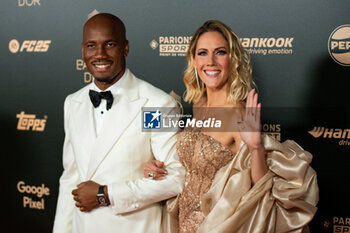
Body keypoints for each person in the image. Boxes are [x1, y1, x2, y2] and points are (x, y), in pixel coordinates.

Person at [144, 20, 319, 233]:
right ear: (193, 60)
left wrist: (256, 147)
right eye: (202, 53)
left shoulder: (239, 112)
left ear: (232, 59)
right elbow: (191, 169)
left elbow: (258, 190)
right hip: (182, 222)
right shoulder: (199, 105)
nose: (210, 61)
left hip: (218, 225)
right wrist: (159, 169)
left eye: (220, 52)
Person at [53, 13, 185, 233]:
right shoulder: (73, 102)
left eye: (110, 44)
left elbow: (174, 177)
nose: (100, 54)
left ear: (125, 48)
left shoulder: (155, 104)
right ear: (83, 51)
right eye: (91, 46)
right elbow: (71, 179)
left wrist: (105, 195)